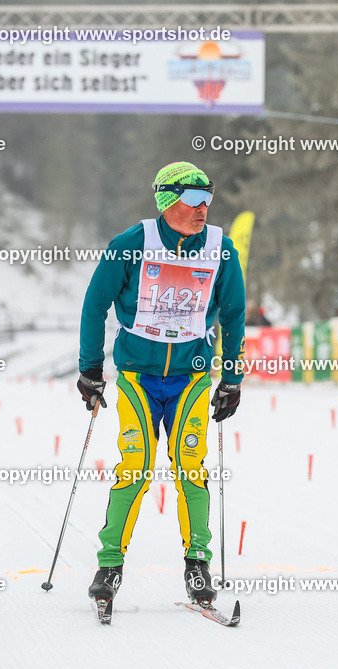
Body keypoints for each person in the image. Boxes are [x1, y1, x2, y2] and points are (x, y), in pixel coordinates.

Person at [76, 161, 246, 605]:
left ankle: (197, 564)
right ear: (168, 202)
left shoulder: (221, 249)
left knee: (191, 465)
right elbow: (95, 306)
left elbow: (233, 315)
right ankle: (109, 566)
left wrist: (232, 379)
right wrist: (90, 370)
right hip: (138, 378)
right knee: (135, 467)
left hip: (190, 378)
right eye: (192, 200)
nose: (202, 209)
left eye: (207, 200)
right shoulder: (132, 244)